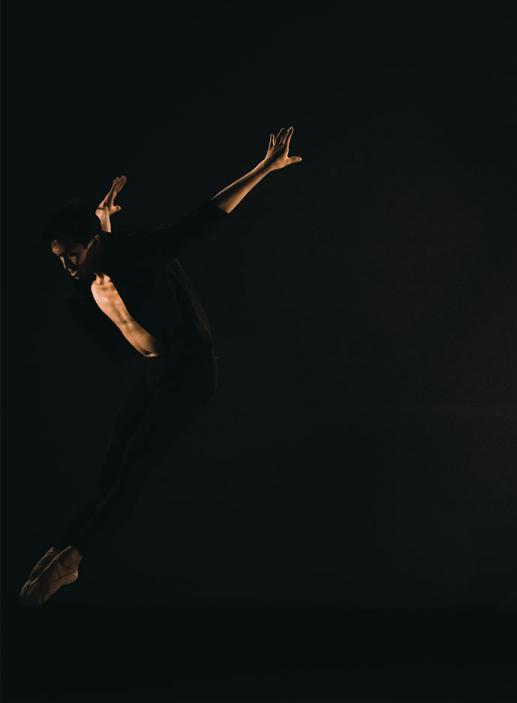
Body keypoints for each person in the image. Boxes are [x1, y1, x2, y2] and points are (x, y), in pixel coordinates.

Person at [19, 128, 304, 606]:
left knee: (134, 470)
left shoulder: (139, 254)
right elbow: (114, 284)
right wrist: (104, 228)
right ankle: (59, 552)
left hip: (190, 373)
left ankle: (71, 560)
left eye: (73, 255)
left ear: (89, 243)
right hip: (156, 373)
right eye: (60, 259)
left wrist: (264, 169)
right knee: (111, 467)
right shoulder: (85, 286)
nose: (68, 266)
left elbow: (201, 221)